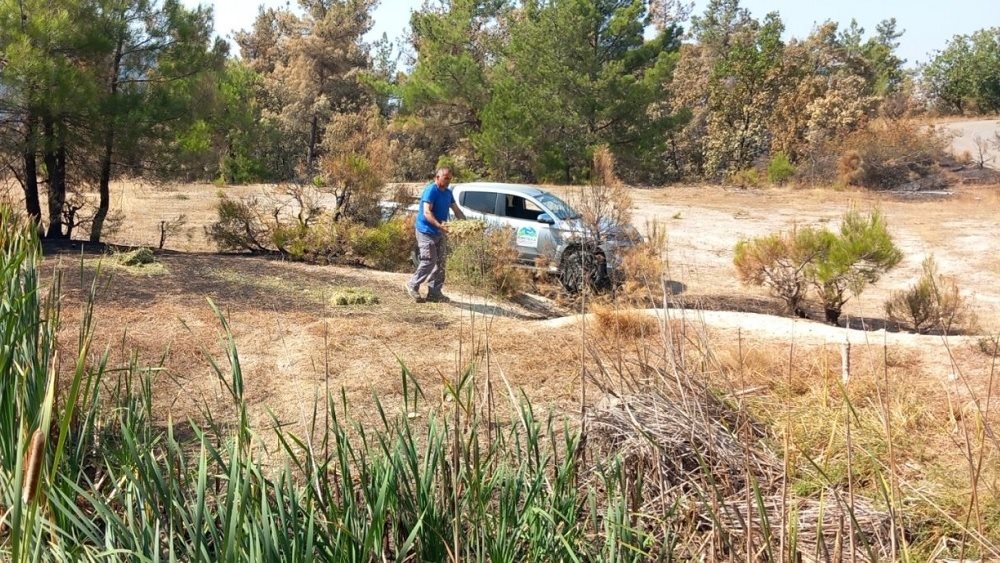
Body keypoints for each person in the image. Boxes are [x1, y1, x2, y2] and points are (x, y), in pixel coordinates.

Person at [405, 167, 465, 302]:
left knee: (441, 262)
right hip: (426, 230)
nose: (448, 180)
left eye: (450, 178)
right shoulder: (431, 190)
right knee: (429, 260)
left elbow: (457, 211)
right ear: (437, 178)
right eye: (446, 178)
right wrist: (440, 226)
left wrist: (465, 224)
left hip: (440, 231)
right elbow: (427, 212)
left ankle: (434, 292)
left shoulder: (448, 193)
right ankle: (412, 285)